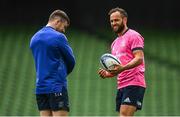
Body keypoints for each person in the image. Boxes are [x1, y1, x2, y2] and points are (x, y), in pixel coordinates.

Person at [98, 7, 146, 116]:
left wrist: (122, 68)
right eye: (111, 21)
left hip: (134, 82)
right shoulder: (114, 43)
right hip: (121, 84)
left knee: (124, 115)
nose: (113, 23)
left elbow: (139, 58)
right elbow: (117, 69)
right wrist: (107, 74)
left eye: (116, 20)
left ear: (124, 20)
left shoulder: (134, 35)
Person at [30, 9, 75, 116]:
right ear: (58, 21)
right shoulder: (59, 37)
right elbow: (71, 60)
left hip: (40, 88)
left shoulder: (34, 38)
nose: (64, 30)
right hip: (56, 86)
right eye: (64, 26)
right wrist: (62, 74)